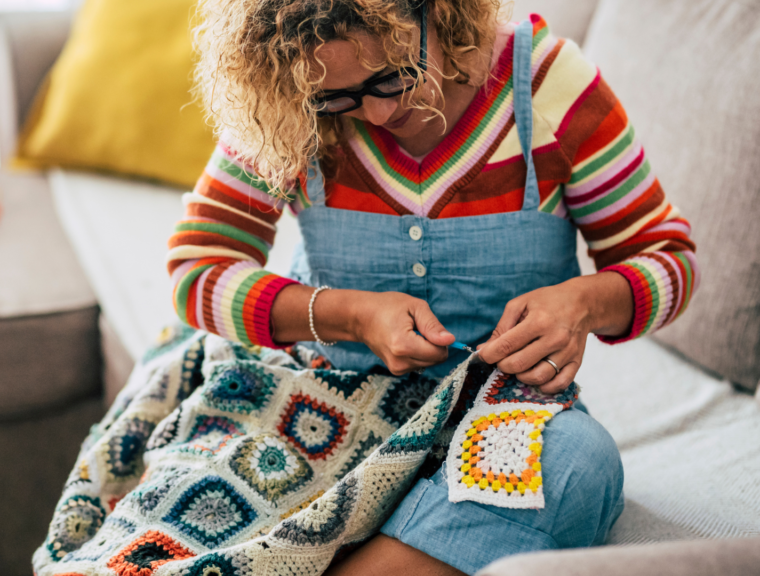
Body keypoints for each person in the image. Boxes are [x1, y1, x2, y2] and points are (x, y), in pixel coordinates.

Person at [34, 1, 698, 575]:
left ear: (438, 11)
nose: (380, 113)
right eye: (338, 98)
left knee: (577, 467)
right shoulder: (289, 96)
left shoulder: (548, 86)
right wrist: (350, 317)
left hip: (502, 413)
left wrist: (583, 302)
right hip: (312, 405)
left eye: (395, 76)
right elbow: (198, 270)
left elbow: (668, 260)